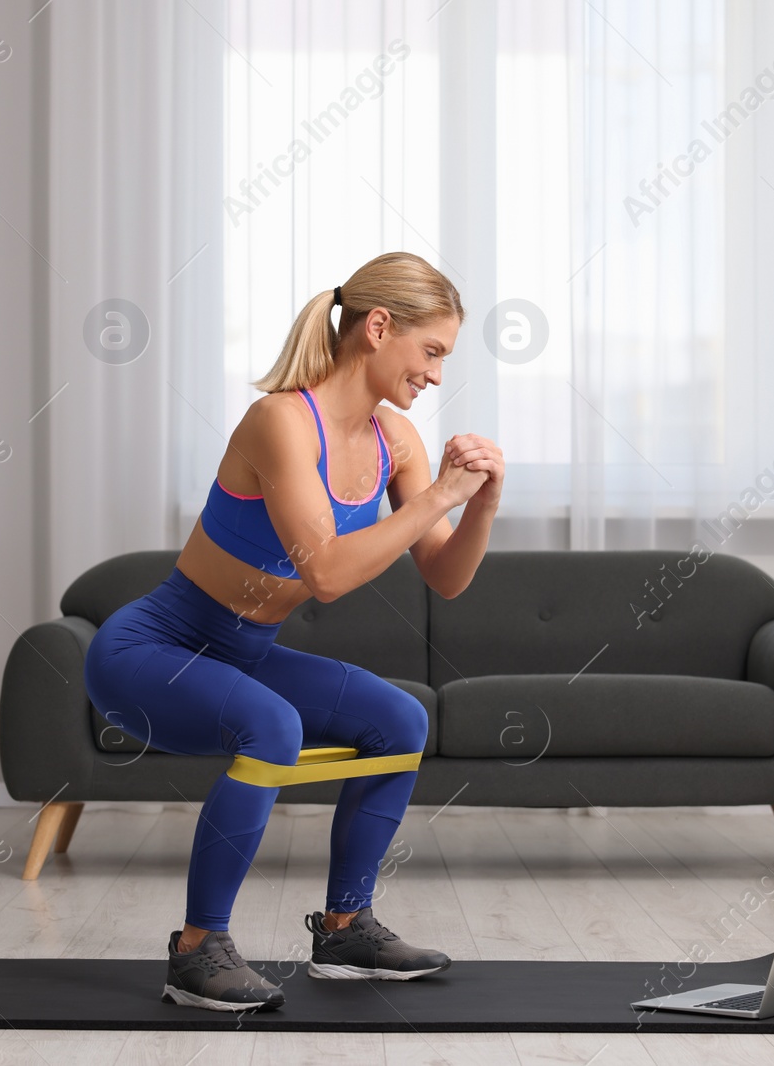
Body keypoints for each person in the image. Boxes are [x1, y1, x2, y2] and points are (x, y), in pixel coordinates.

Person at [82, 251, 504, 1013]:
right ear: (379, 327)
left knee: (400, 717)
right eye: (432, 351)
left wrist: (478, 502)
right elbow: (329, 575)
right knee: (269, 723)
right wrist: (438, 493)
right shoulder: (281, 420)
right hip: (150, 651)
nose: (437, 375)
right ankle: (196, 949)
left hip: (243, 652)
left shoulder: (395, 441)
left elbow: (445, 575)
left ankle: (345, 929)